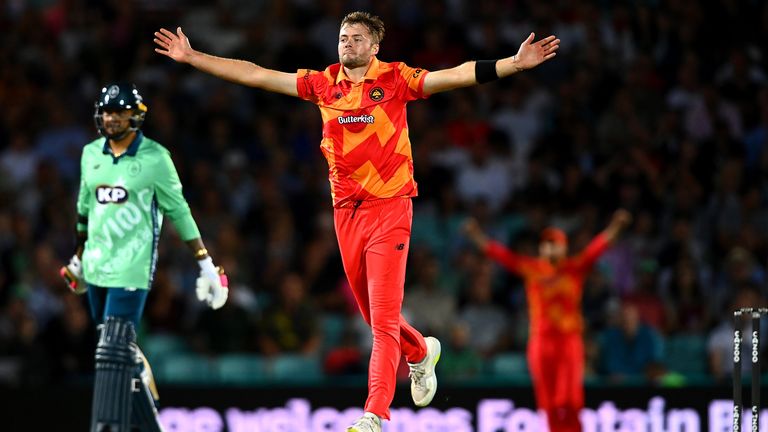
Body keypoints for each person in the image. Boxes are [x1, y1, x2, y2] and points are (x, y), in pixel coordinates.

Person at [153, 12, 559, 432]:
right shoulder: (322, 83)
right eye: (343, 37)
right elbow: (256, 74)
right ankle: (420, 351)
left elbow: (451, 76)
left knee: (382, 323)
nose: (347, 43)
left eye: (357, 38)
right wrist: (192, 56)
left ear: (375, 46)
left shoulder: (397, 79)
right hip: (346, 213)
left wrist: (512, 64)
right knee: (373, 317)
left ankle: (374, 415)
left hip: (391, 209)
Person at [59, 82, 229, 431]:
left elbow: (179, 212)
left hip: (133, 268)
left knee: (111, 348)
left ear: (135, 115)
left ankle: (107, 426)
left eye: (118, 112)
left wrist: (205, 264)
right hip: (96, 266)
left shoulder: (155, 158)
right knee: (116, 349)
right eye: (107, 111)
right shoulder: (91, 153)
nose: (111, 118)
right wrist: (78, 257)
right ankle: (151, 424)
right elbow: (83, 210)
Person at [462, 209, 632, 432]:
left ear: (564, 248)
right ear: (542, 248)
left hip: (568, 341)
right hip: (541, 342)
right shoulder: (532, 269)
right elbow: (501, 256)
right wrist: (476, 235)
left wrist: (617, 227)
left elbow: (597, 248)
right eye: (548, 243)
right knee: (548, 403)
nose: (551, 247)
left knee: (570, 401)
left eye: (556, 243)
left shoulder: (574, 268)